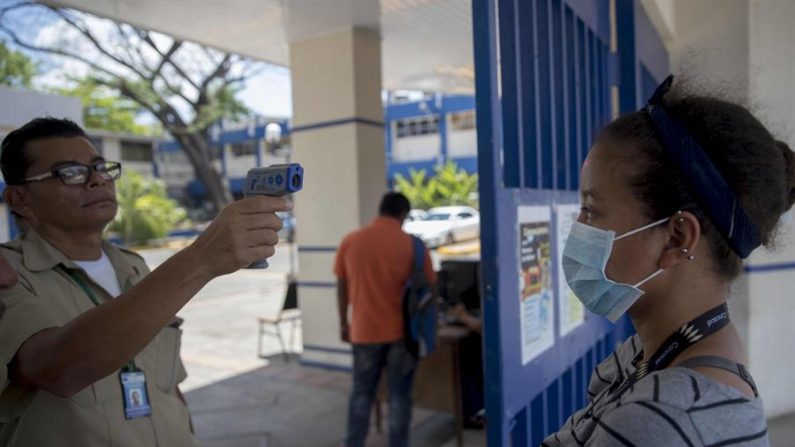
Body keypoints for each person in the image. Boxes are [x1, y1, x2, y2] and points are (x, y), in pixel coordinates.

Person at [0, 117, 289, 446]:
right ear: (19, 199)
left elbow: (167, 383)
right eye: (70, 172)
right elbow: (56, 368)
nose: (96, 180)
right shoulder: (10, 274)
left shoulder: (133, 267)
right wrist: (201, 258)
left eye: (100, 167)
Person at [543, 76, 791, 446]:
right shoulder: (657, 353)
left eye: (592, 211)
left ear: (676, 238)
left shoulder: (660, 422)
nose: (578, 230)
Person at [335, 192, 437, 447]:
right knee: (399, 397)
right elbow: (430, 290)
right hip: (402, 337)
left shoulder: (351, 241)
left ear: (380, 210)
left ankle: (354, 443)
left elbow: (341, 287)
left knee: (361, 394)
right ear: (403, 214)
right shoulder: (414, 246)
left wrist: (343, 323)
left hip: (363, 332)